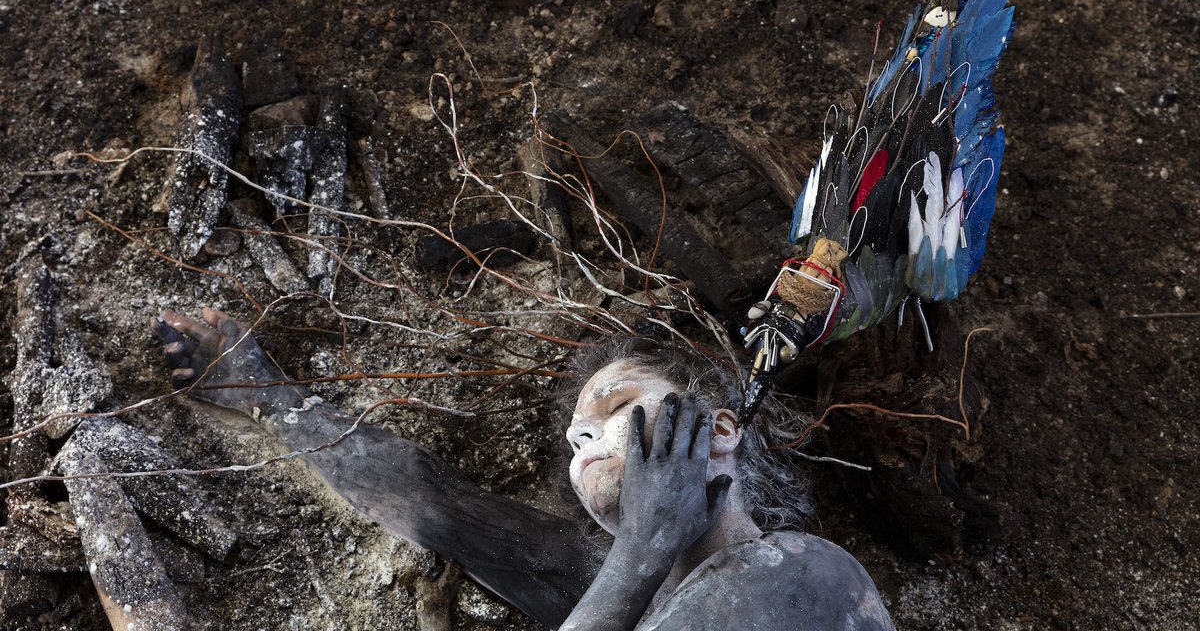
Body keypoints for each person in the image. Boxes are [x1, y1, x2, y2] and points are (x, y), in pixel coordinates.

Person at [153, 308, 895, 629]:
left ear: (720, 430)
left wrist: (642, 549)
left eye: (618, 407)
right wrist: (274, 403)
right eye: (578, 439)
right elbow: (443, 505)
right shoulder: (618, 579)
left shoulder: (801, 570)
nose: (589, 440)